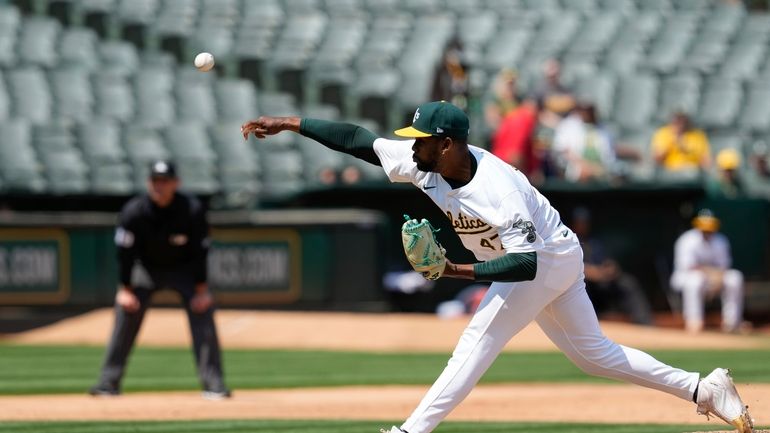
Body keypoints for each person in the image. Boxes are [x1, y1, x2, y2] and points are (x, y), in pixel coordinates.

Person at [240, 101, 754, 433]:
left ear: (447, 144)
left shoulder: (496, 186)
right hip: (546, 257)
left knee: (476, 340)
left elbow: (526, 264)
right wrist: (292, 123)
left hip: (546, 259)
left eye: (420, 138)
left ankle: (409, 432)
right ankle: (703, 388)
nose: (410, 144)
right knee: (596, 356)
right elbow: (358, 139)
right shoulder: (426, 163)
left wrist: (453, 272)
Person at [89, 160, 231, 400]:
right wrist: (125, 289)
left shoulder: (192, 210)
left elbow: (201, 252)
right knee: (126, 311)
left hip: (184, 270)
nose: (159, 186)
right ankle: (107, 383)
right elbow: (125, 255)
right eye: (155, 181)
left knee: (203, 311)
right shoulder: (133, 211)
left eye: (165, 181)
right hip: (146, 269)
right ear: (148, 183)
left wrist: (201, 290)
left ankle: (214, 384)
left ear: (176, 183)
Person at [571, 207, 653, 325]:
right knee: (581, 286)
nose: (583, 225)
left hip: (602, 282)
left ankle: (645, 323)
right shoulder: (569, 241)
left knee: (628, 282)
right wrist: (593, 273)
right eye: (580, 222)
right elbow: (572, 267)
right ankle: (585, 324)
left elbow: (608, 262)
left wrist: (610, 269)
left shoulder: (594, 242)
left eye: (585, 222)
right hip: (585, 284)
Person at [671, 209, 745, 334]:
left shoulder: (720, 240)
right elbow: (690, 266)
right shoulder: (687, 240)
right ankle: (694, 322)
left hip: (713, 278)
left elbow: (724, 266)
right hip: (685, 277)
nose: (707, 230)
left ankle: (732, 323)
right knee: (695, 280)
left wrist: (718, 279)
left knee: (735, 277)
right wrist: (712, 275)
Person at [551, 102, 617, 183]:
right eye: (583, 110)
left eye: (589, 110)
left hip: (601, 172)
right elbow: (563, 151)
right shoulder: (568, 126)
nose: (586, 114)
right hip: (575, 171)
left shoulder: (605, 130)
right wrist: (584, 166)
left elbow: (609, 156)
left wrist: (598, 169)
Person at [490, 95, 543, 182]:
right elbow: (514, 155)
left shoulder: (514, 116)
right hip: (507, 173)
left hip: (500, 167)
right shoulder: (525, 120)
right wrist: (523, 180)